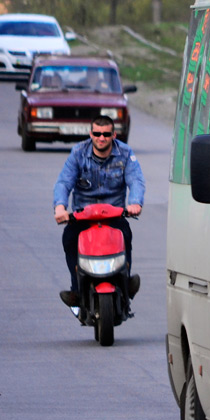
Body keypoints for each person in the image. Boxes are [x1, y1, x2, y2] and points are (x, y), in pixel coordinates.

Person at [53, 116, 144, 307]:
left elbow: (136, 180)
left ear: (113, 134)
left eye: (106, 134)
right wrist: (60, 207)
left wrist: (135, 203)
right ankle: (77, 289)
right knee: (69, 238)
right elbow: (64, 182)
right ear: (90, 134)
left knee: (125, 235)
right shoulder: (78, 152)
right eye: (97, 134)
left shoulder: (125, 153)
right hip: (82, 216)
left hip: (114, 216)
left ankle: (125, 282)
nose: (101, 138)